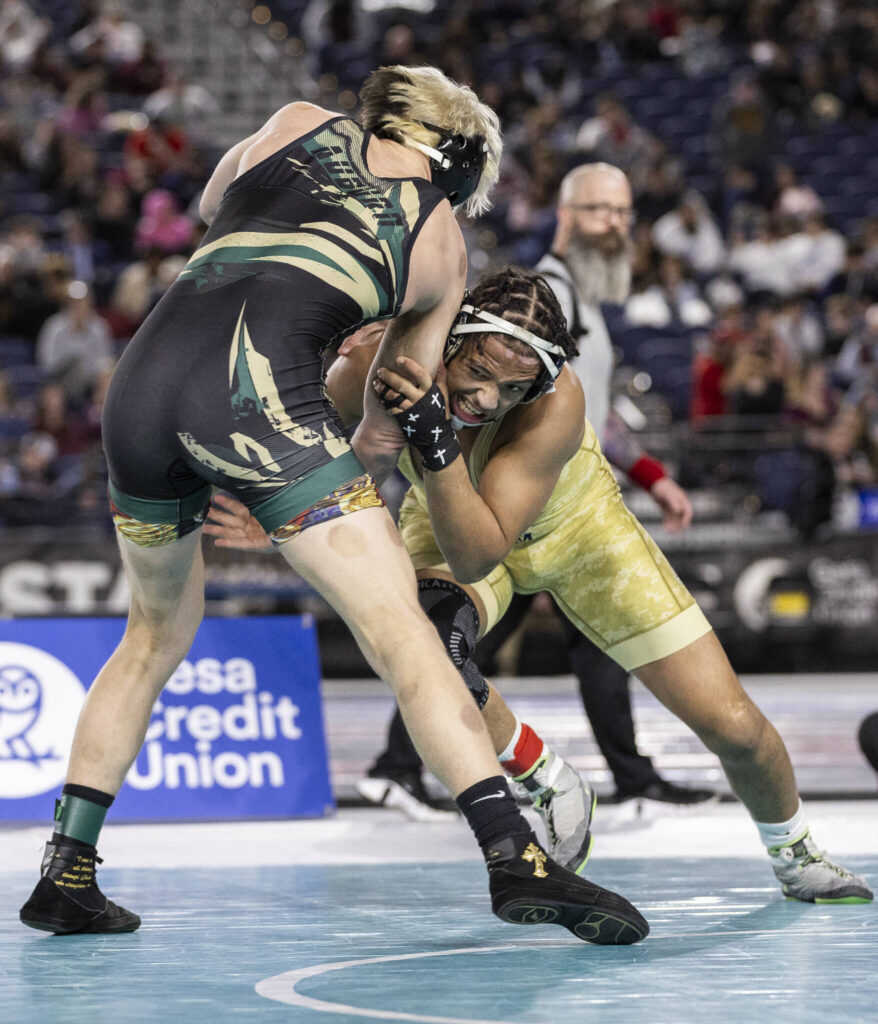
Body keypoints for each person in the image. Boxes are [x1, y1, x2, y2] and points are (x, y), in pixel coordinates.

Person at [19, 66, 649, 947]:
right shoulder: (440, 242)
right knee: (402, 632)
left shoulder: (294, 121)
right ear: (461, 168)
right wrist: (302, 484)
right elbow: (392, 418)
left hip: (141, 383)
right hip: (256, 396)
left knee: (152, 634)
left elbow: (214, 207)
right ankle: (515, 856)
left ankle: (67, 871)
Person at [206, 269, 873, 907]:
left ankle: (796, 853)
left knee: (734, 728)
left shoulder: (557, 403)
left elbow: (478, 553)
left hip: (579, 532)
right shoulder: (373, 366)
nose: (489, 399)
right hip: (451, 512)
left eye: (512, 388)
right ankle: (548, 776)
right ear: (453, 339)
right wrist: (282, 516)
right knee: (426, 644)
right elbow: (308, 446)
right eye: (479, 372)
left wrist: (438, 444)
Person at [366, 162, 717, 820]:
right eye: (598, 211)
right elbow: (537, 413)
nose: (615, 225)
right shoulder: (542, 307)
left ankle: (401, 766)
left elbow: (587, 414)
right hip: (526, 501)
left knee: (470, 639)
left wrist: (648, 475)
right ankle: (410, 766)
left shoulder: (583, 300)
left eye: (622, 213)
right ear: (565, 213)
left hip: (544, 491)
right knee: (476, 635)